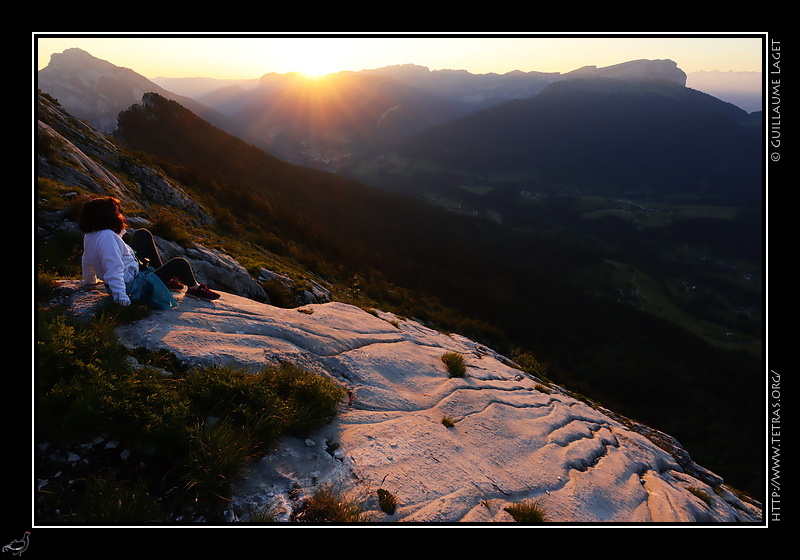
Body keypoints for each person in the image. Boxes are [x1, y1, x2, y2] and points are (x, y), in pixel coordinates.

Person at [78, 196, 220, 304]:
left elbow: (86, 260)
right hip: (134, 286)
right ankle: (194, 288)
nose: (120, 214)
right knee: (180, 263)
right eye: (117, 212)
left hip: (129, 274)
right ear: (109, 216)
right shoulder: (107, 237)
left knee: (142, 234)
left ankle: (166, 280)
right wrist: (122, 299)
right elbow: (114, 269)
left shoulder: (91, 235)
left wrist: (90, 282)